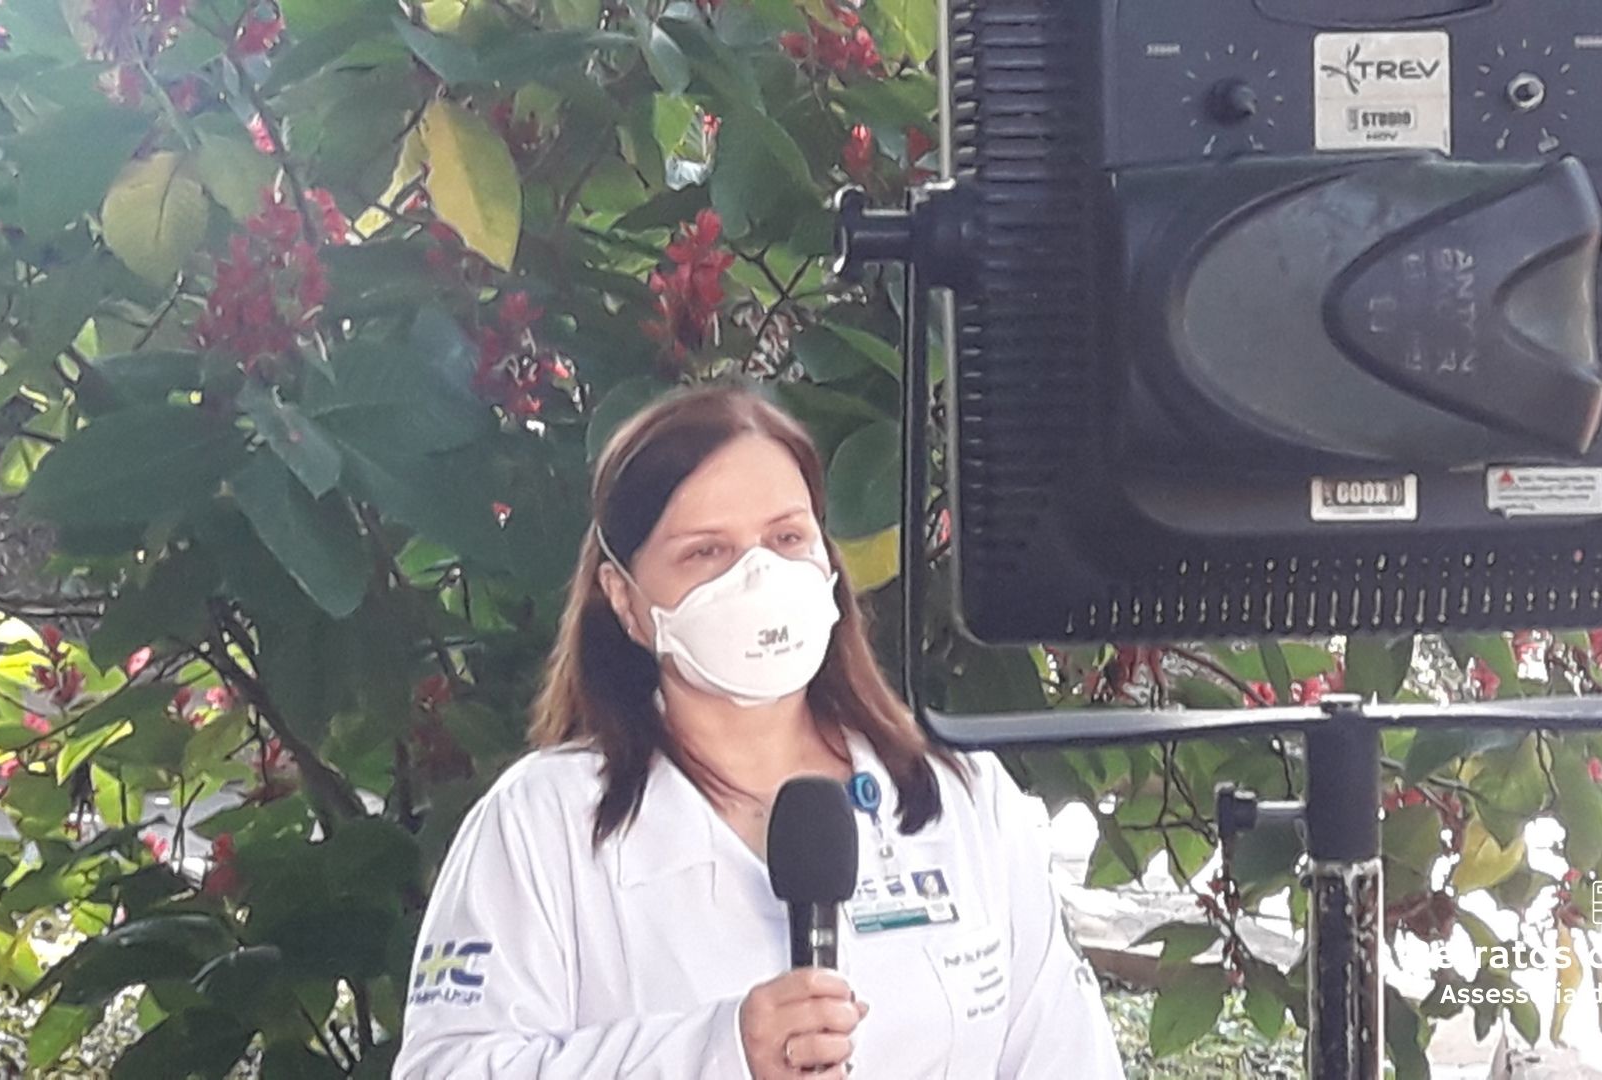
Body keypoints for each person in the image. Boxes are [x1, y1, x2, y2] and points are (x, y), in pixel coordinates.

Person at [393, 383, 1125, 1078]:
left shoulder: (958, 798)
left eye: (786, 537)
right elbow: (446, 1069)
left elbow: (1064, 1053)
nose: (758, 577)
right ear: (624, 598)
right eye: (705, 552)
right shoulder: (542, 825)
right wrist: (716, 1055)